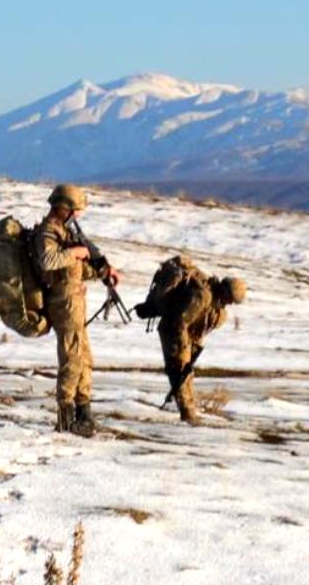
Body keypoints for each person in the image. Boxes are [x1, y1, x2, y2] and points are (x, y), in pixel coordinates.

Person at [32, 184, 120, 437]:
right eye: (75, 211)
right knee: (71, 358)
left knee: (84, 359)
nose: (78, 216)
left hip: (75, 300)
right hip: (63, 302)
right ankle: (65, 416)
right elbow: (49, 261)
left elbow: (76, 267)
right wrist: (76, 252)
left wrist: (104, 271)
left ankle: (84, 413)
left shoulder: (64, 232)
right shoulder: (47, 233)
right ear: (63, 208)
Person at [135, 257, 247, 425]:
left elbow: (197, 327)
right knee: (179, 371)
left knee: (185, 373)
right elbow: (180, 321)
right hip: (173, 331)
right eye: (230, 299)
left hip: (184, 335)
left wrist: (192, 349)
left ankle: (189, 409)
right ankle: (187, 414)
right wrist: (182, 347)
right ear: (226, 292)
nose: (229, 304)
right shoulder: (204, 296)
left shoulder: (216, 306)